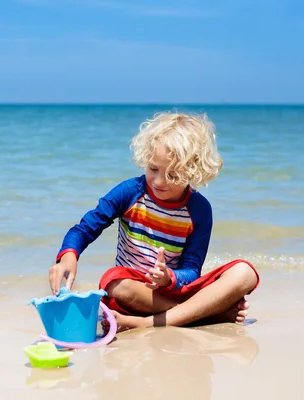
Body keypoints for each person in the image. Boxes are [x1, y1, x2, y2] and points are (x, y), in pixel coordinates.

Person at [48, 111, 260, 330]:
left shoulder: (199, 210)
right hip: (133, 294)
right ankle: (202, 313)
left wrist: (168, 278)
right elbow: (85, 229)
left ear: (193, 171)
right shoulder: (129, 193)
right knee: (113, 281)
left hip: (173, 289)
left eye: (173, 175)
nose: (159, 181)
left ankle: (150, 322)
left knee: (244, 272)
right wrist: (69, 255)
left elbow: (191, 270)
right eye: (153, 169)